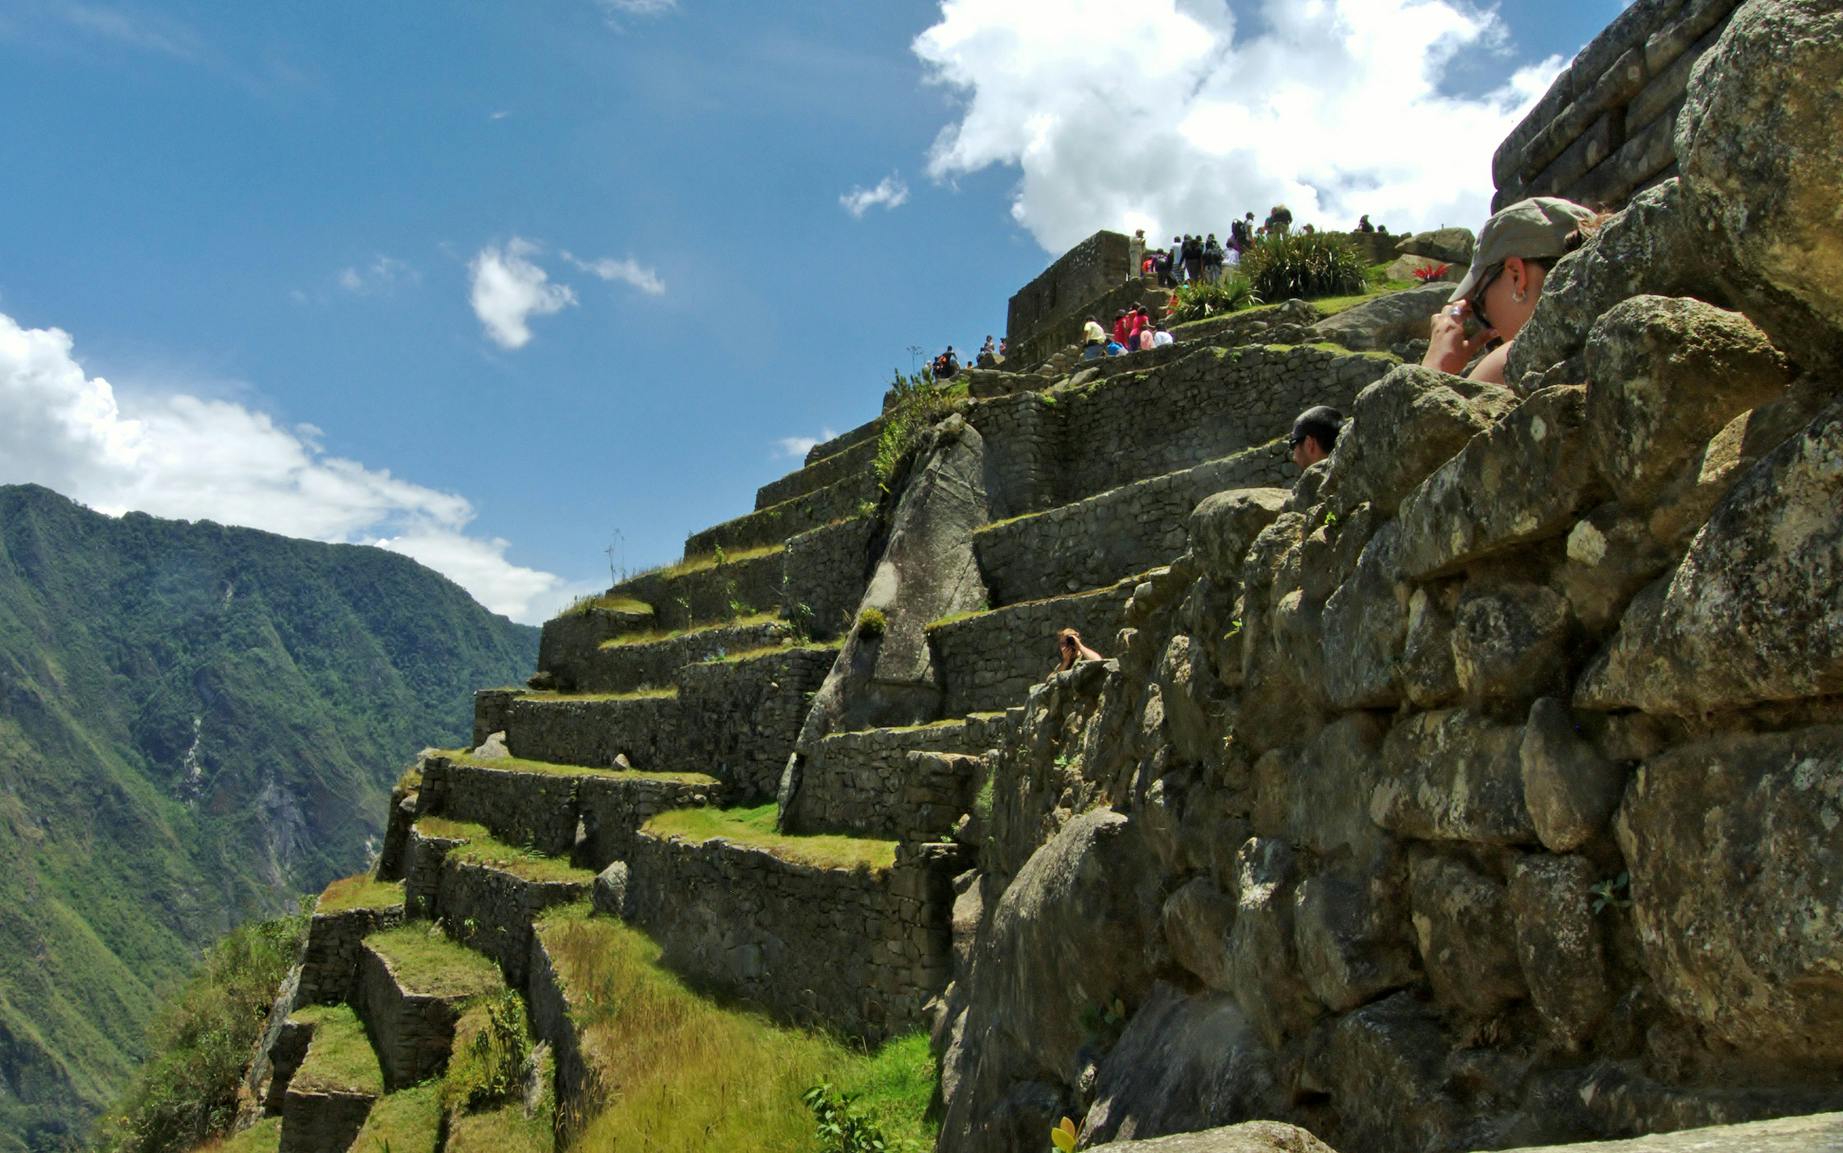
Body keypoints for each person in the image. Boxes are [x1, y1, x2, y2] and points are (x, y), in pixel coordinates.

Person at [1423, 196, 1597, 386]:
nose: (1491, 331)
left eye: (1480, 306)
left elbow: (1428, 415)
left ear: (1516, 275)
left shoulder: (1513, 361)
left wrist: (1434, 367)